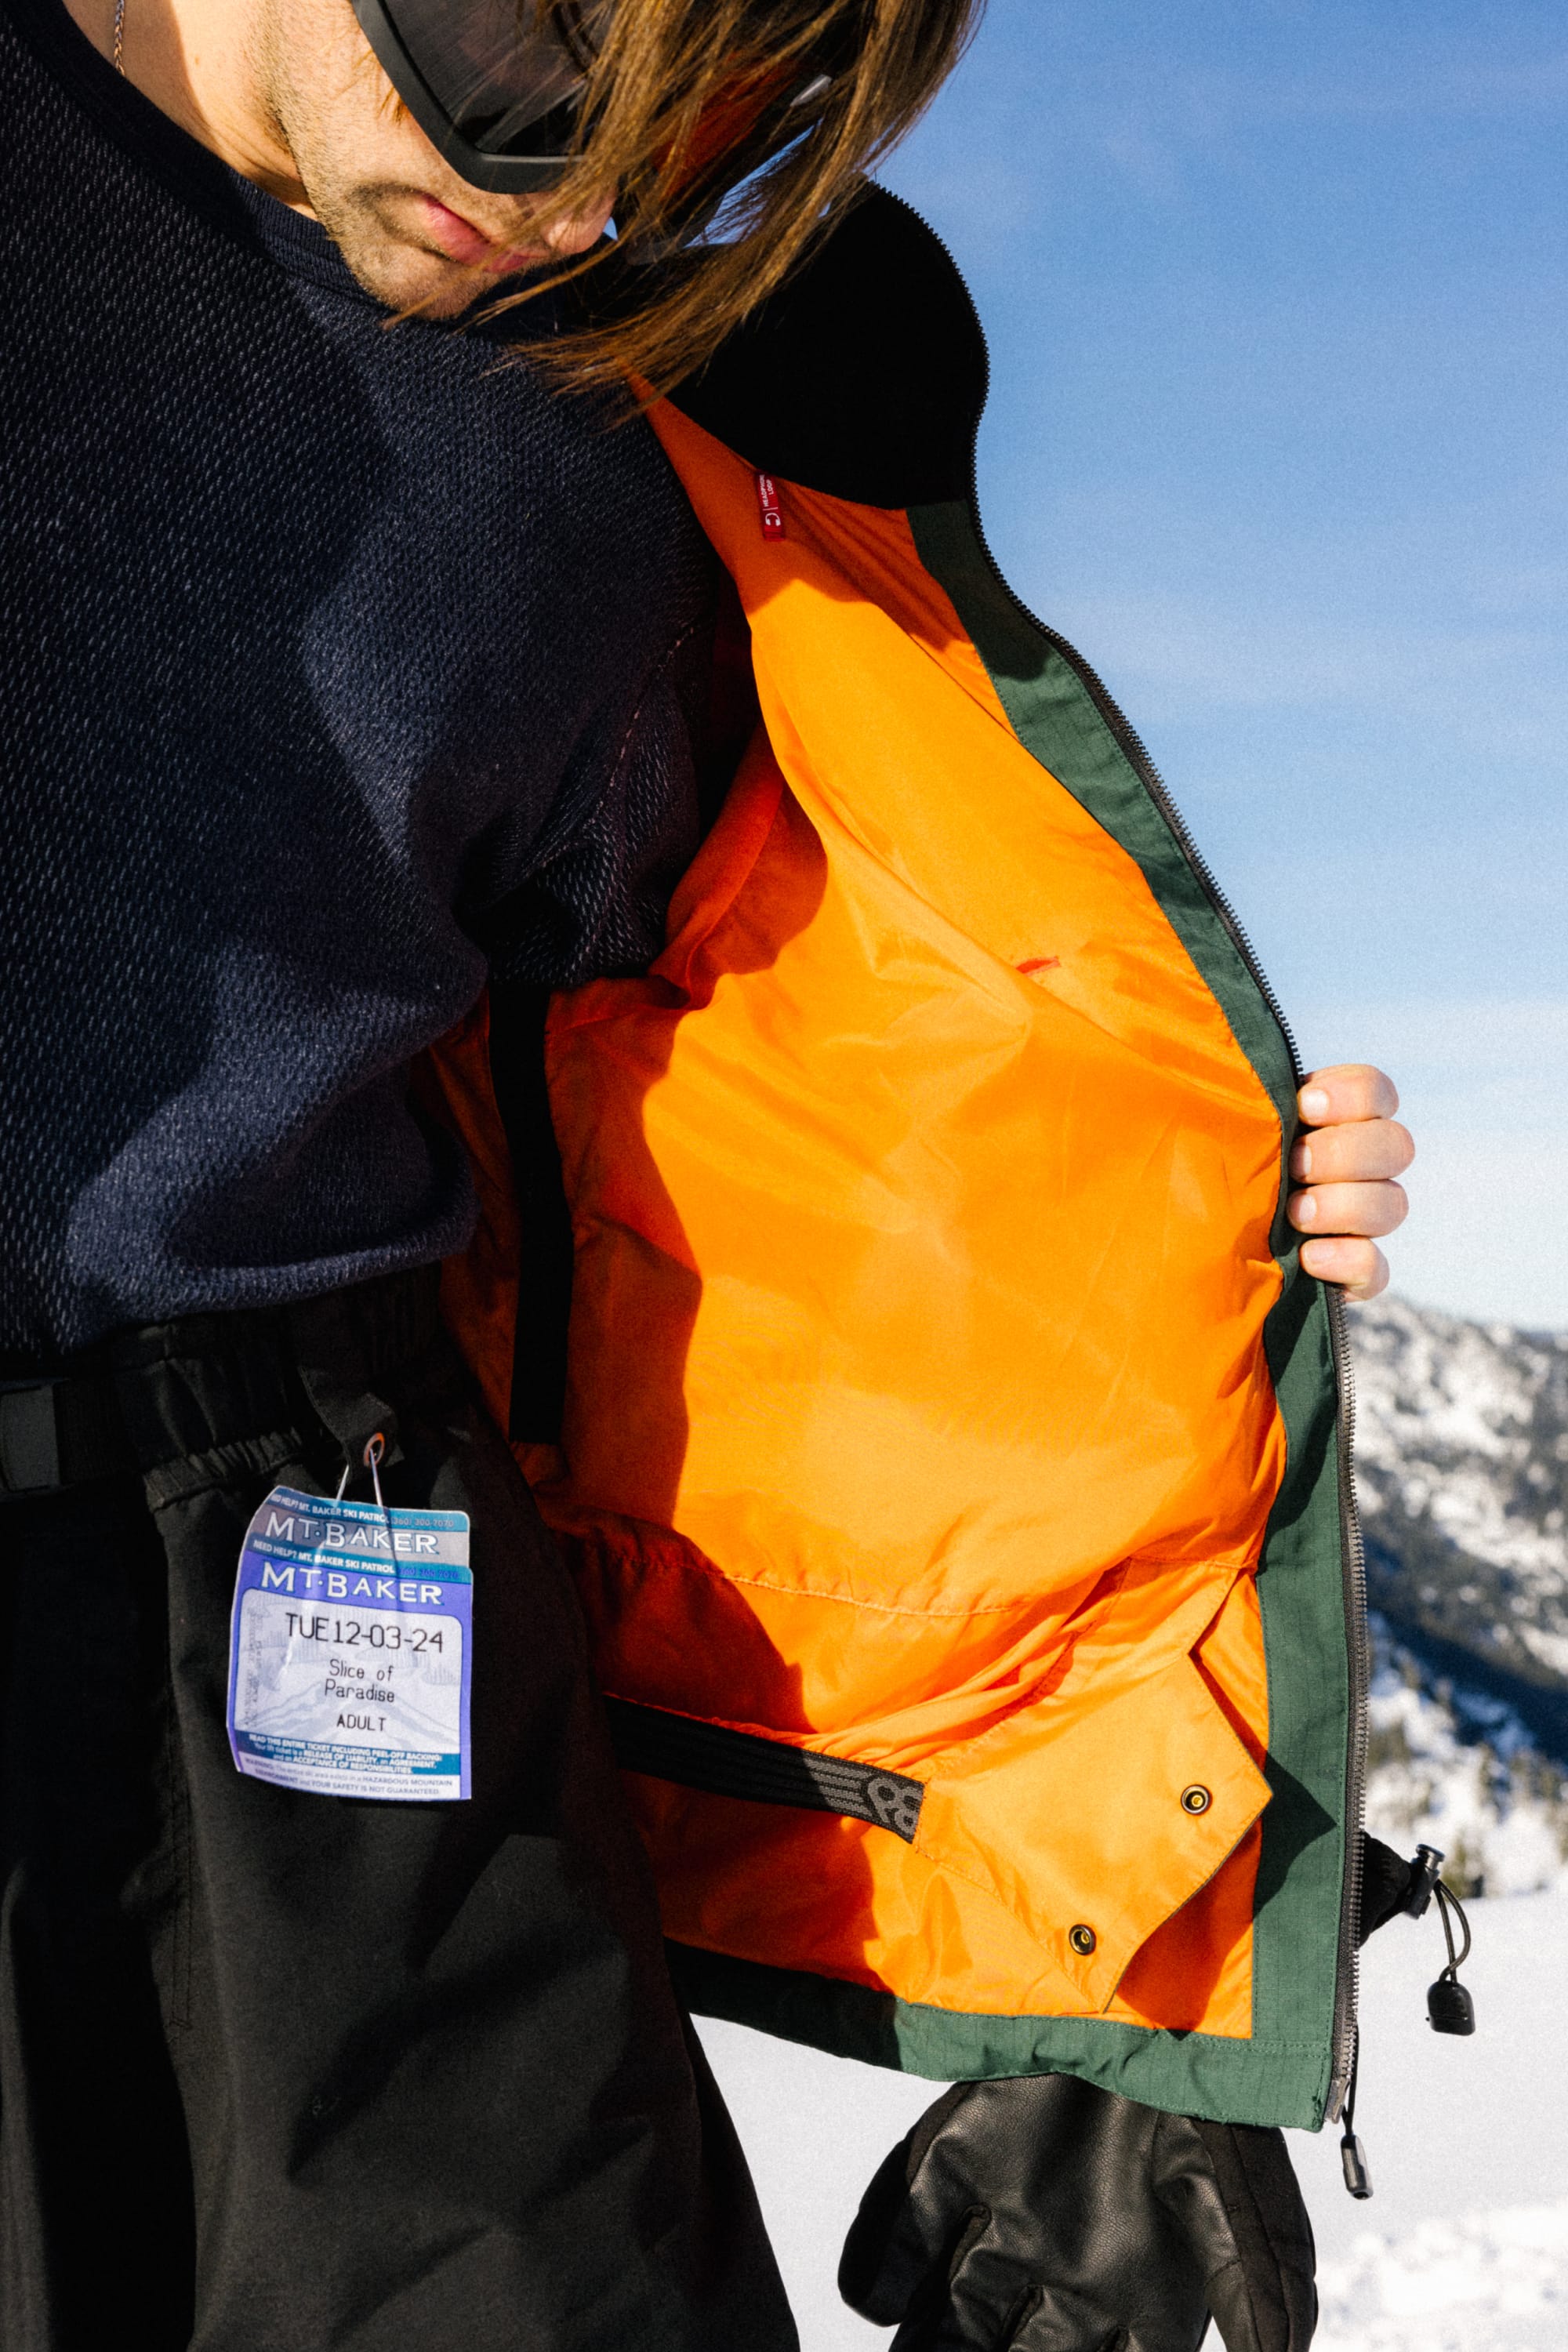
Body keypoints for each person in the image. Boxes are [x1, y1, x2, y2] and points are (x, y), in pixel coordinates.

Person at [0, 0, 1415, 2345]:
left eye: (702, 145)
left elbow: (815, 1107)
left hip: (348, 1582)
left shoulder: (582, 462)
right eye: (539, 65)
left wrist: (1185, 1188)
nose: (575, 210)